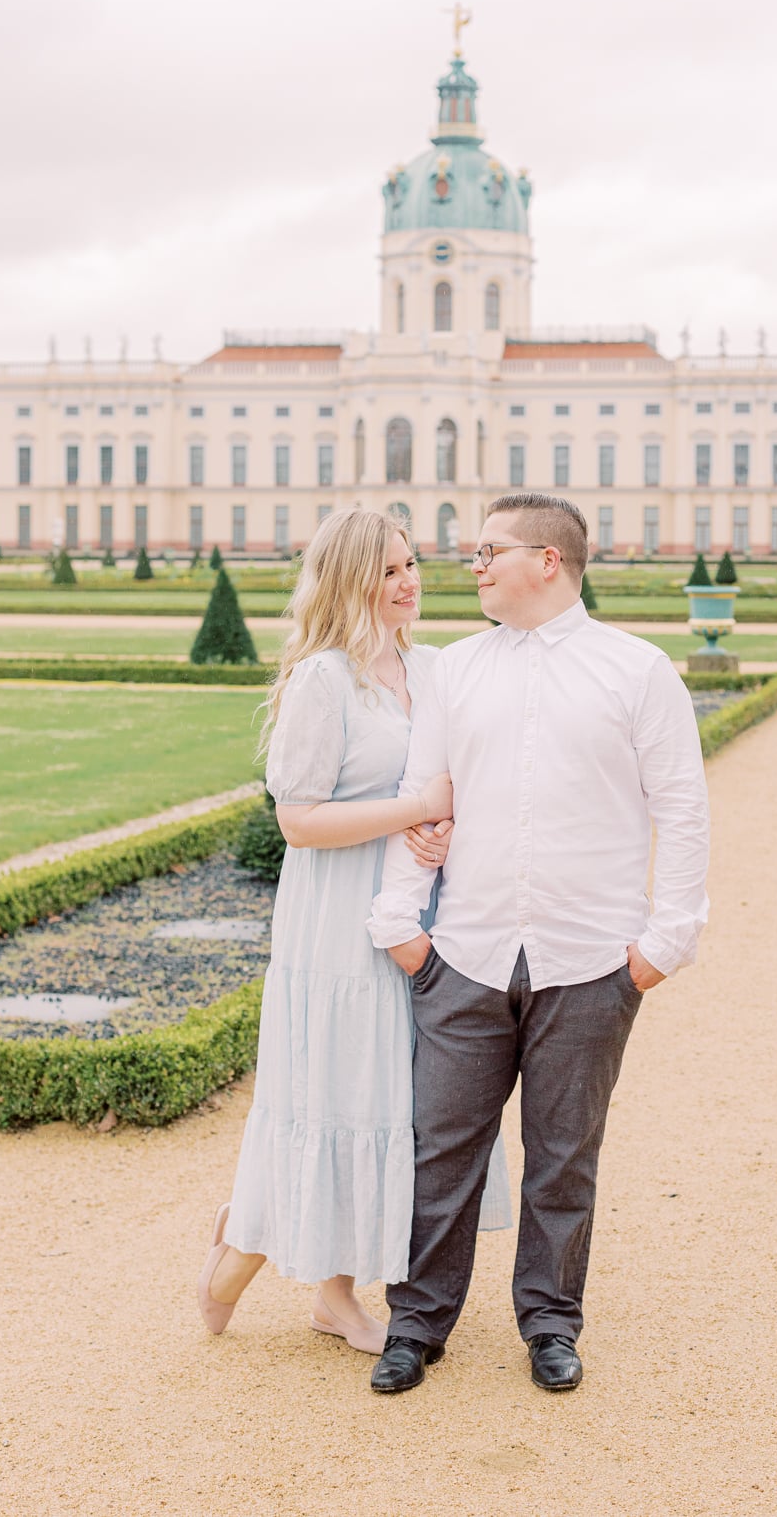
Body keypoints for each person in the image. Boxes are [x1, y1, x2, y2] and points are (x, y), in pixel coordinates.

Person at [366, 493, 710, 1394]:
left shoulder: (636, 671)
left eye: (489, 550)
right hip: (467, 951)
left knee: (564, 1157)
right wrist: (402, 927)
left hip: (591, 956)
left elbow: (682, 807)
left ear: (547, 561)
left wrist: (663, 944)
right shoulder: (454, 670)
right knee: (441, 1149)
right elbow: (425, 790)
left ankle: (551, 1323)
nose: (471, 565)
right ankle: (417, 1323)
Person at [196, 510, 510, 1354]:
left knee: (396, 1093)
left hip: (418, 908)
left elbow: (457, 780)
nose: (410, 582)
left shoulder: (432, 667)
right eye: (389, 571)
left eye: (411, 565)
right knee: (342, 1085)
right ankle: (299, 1278)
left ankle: (305, 1266)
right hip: (336, 918)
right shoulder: (324, 680)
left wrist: (443, 831)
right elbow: (298, 819)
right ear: (349, 581)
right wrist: (416, 812)